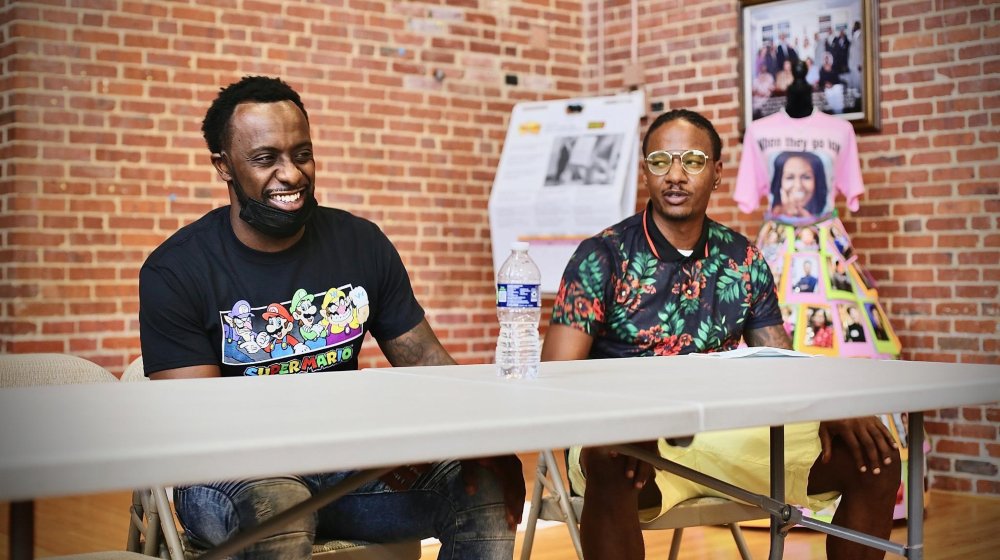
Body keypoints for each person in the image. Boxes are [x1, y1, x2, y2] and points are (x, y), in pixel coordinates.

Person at [138, 75, 524, 559]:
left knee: (483, 489)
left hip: (347, 463)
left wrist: (483, 442)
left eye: (301, 154)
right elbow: (198, 423)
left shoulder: (360, 244)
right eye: (265, 159)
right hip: (232, 471)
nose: (291, 174)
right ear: (224, 166)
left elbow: (425, 359)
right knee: (281, 511)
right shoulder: (177, 270)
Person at [544, 108, 899, 560]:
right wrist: (620, 422)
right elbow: (555, 379)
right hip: (627, 443)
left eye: (692, 161)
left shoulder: (743, 259)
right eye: (660, 161)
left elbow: (781, 363)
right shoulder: (601, 256)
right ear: (645, 172)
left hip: (723, 433)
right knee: (614, 457)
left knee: (876, 456)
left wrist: (833, 405)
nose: (675, 175)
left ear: (716, 173)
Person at [770, 151, 829, 218]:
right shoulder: (770, 216)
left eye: (806, 177)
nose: (798, 185)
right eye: (789, 177)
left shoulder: (828, 215)